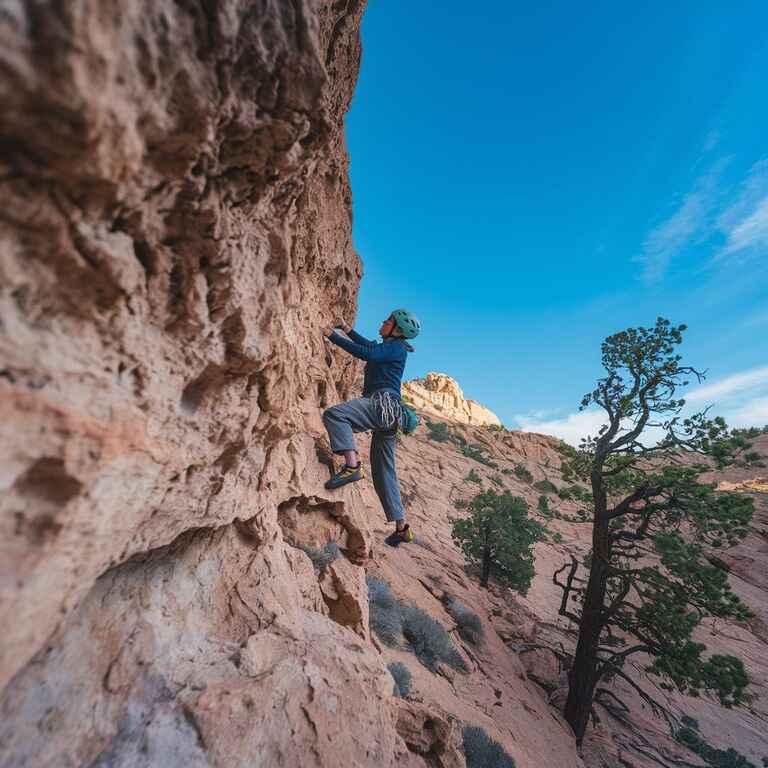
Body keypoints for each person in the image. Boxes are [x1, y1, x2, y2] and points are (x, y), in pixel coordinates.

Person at [321, 309, 420, 546]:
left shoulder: (396, 347)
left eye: (388, 321)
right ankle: (401, 527)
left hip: (382, 405)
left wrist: (331, 336)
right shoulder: (391, 347)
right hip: (390, 415)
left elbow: (366, 353)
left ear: (397, 330)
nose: (383, 322)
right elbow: (370, 347)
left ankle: (352, 466)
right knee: (384, 471)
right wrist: (345, 328)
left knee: (335, 415)